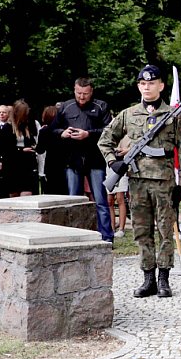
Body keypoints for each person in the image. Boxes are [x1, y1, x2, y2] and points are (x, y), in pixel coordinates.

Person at [98, 64, 181, 298]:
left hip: (164, 183)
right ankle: (148, 278)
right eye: (142, 83)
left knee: (165, 230)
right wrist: (113, 162)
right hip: (137, 181)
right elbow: (105, 140)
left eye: (151, 83)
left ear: (161, 85)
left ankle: (163, 279)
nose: (146, 87)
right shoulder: (128, 114)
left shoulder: (174, 115)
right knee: (141, 230)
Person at [53, 77, 114, 242]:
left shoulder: (101, 106)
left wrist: (88, 134)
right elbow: (52, 129)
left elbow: (109, 130)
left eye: (85, 94)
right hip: (72, 160)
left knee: (100, 200)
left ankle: (107, 237)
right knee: (73, 200)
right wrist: (62, 133)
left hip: (95, 159)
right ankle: (74, 237)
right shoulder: (65, 107)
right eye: (79, 93)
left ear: (91, 92)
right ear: (74, 90)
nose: (81, 97)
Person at [2, 99, 39, 197]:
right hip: (13, 167)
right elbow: (6, 149)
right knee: (14, 196)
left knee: (27, 194)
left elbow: (33, 141)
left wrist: (33, 147)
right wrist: (21, 150)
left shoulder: (27, 126)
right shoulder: (7, 128)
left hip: (27, 166)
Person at [36, 105, 67, 195]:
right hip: (65, 162)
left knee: (52, 191)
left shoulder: (44, 131)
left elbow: (40, 150)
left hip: (51, 163)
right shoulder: (64, 130)